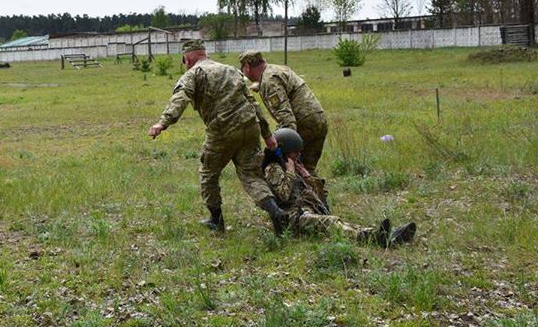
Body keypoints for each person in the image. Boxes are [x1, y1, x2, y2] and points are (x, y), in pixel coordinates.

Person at [149, 39, 288, 233]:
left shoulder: (194, 73)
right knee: (251, 175)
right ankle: (276, 213)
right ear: (205, 54)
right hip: (249, 126)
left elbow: (180, 97)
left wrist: (162, 123)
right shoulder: (231, 70)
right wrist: (267, 134)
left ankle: (216, 220)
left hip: (222, 131)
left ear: (187, 59)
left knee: (208, 174)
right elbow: (252, 102)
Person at [264, 128, 416, 246]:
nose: (298, 156)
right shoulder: (273, 169)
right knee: (330, 223)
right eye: (294, 153)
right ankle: (373, 238)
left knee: (340, 223)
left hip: (305, 213)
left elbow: (321, 200)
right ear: (285, 152)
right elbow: (283, 195)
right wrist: (290, 172)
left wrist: (309, 179)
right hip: (291, 220)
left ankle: (384, 237)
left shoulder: (295, 168)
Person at [239, 50, 328, 173]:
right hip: (319, 120)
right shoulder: (277, 69)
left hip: (303, 124)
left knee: (290, 170)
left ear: (247, 67)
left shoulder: (269, 82)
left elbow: (287, 119)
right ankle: (316, 191)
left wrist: (279, 148)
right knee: (307, 170)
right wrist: (260, 86)